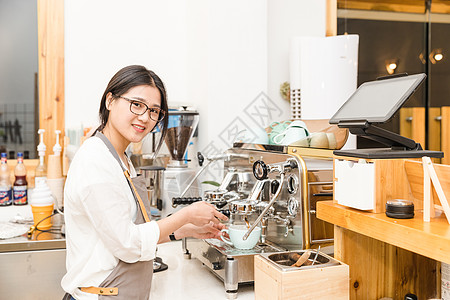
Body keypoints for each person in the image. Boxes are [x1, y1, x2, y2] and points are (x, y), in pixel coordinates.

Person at [61, 65, 228, 300]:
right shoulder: (95, 161)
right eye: (136, 105)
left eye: (154, 111)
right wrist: (186, 215)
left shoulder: (121, 159)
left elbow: (133, 232)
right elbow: (127, 244)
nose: (145, 118)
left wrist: (183, 231)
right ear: (110, 100)